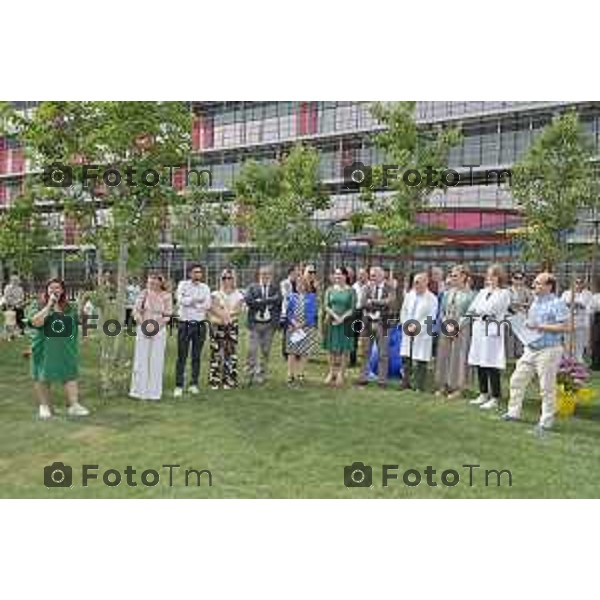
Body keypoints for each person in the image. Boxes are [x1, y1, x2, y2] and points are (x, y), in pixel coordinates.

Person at [502, 272, 571, 435]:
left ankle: (545, 423)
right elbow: (532, 325)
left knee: (546, 388)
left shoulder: (557, 303)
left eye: (538, 283)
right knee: (516, 380)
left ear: (549, 286)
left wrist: (539, 326)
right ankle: (513, 413)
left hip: (549, 350)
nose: (534, 286)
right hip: (531, 348)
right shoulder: (535, 303)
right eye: (534, 283)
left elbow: (566, 327)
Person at [26, 278, 90, 420]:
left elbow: (74, 322)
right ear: (47, 290)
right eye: (51, 288)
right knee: (42, 375)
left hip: (65, 349)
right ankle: (44, 406)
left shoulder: (69, 307)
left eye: (57, 288)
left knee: (69, 374)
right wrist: (49, 306)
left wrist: (78, 306)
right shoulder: (37, 305)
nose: (54, 290)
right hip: (44, 347)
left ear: (62, 291)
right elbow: (36, 322)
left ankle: (73, 405)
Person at [467, 264, 511, 410]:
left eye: (493, 275)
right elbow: (472, 308)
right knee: (479, 361)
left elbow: (492, 309)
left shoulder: (504, 293)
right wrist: (481, 312)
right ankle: (483, 393)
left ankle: (495, 396)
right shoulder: (482, 292)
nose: (489, 278)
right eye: (488, 275)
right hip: (479, 329)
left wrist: (481, 312)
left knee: (491, 363)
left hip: (492, 330)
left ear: (499, 277)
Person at [129, 273, 173, 401]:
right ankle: (139, 391)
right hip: (143, 326)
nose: (151, 284)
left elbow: (168, 314)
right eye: (150, 282)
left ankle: (154, 392)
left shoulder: (167, 296)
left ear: (160, 282)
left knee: (156, 359)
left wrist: (156, 327)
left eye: (154, 281)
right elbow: (135, 310)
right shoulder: (143, 294)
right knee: (141, 358)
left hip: (159, 329)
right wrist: (143, 324)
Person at [434, 265, 475, 399]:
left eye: (455, 275)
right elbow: (442, 310)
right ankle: (442, 385)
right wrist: (446, 321)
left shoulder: (470, 295)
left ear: (464, 277)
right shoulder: (447, 293)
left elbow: (470, 314)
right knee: (443, 355)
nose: (452, 278)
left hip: (461, 329)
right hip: (446, 327)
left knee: (458, 357)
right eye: (451, 275)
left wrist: (457, 325)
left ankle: (457, 387)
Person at [174, 264, 212, 398]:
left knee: (196, 356)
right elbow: (180, 300)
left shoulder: (205, 287)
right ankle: (179, 385)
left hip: (200, 325)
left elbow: (207, 305)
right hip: (184, 324)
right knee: (182, 356)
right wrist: (196, 300)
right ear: (190, 273)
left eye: (200, 272)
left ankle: (193, 384)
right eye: (195, 272)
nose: (198, 274)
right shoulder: (182, 285)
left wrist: (190, 301)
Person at [357, 266, 396, 387]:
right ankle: (363, 378)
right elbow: (363, 303)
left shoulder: (390, 288)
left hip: (383, 323)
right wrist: (380, 304)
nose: (371, 277)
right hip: (367, 323)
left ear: (381, 275)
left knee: (383, 353)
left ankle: (382, 380)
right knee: (365, 352)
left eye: (374, 275)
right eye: (371, 275)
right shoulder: (366, 287)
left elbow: (390, 302)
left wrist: (372, 302)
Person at [400, 272, 438, 392]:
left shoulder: (432, 298)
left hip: (422, 332)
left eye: (418, 282)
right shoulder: (409, 295)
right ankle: (406, 382)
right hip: (408, 330)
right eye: (414, 282)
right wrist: (406, 324)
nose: (415, 285)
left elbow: (431, 317)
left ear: (426, 282)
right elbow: (404, 311)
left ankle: (419, 385)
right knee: (407, 358)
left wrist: (417, 328)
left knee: (421, 359)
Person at [208, 269, 245, 390]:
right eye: (224, 278)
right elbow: (213, 308)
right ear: (221, 279)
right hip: (217, 326)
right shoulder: (215, 294)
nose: (227, 280)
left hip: (231, 327)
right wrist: (224, 316)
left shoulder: (238, 294)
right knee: (216, 353)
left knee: (230, 353)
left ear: (234, 279)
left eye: (229, 278)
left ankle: (229, 380)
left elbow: (238, 309)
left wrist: (226, 314)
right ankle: (215, 380)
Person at [244, 265, 282, 385]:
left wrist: (261, 301)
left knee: (265, 350)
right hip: (254, 324)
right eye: (263, 274)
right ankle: (250, 374)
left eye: (267, 274)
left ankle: (261, 374)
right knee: (252, 350)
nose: (265, 276)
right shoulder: (252, 287)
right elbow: (249, 300)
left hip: (269, 325)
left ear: (271, 275)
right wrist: (268, 301)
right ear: (259, 275)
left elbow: (279, 300)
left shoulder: (275, 288)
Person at [323, 267, 355, 386]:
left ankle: (341, 374)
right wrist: (335, 316)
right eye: (336, 274)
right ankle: (331, 372)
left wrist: (342, 318)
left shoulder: (351, 291)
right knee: (331, 348)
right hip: (332, 322)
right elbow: (326, 306)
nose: (337, 276)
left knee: (344, 349)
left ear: (345, 276)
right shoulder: (330, 290)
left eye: (340, 274)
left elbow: (352, 308)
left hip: (346, 323)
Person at [284, 275, 319, 385]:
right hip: (293, 327)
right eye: (298, 284)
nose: (300, 286)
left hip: (306, 328)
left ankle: (301, 374)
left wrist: (302, 324)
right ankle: (290, 374)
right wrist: (294, 322)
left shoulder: (312, 297)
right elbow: (288, 312)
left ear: (306, 285)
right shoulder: (292, 296)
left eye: (302, 284)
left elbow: (312, 313)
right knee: (292, 351)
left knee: (304, 352)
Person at [561, 277, 593, 363]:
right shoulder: (566, 293)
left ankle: (579, 357)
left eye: (580, 283)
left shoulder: (588, 294)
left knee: (580, 340)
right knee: (567, 340)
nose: (578, 285)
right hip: (568, 320)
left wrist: (581, 305)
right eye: (576, 283)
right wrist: (568, 305)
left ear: (583, 284)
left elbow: (590, 307)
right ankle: (567, 357)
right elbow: (561, 305)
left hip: (581, 320)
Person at [507, 271, 533, 359]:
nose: (518, 280)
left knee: (521, 337)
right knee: (510, 337)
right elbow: (507, 304)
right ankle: (510, 355)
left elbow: (531, 303)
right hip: (510, 316)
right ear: (512, 279)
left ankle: (520, 354)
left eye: (520, 278)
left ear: (524, 280)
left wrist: (520, 305)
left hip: (522, 317)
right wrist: (519, 305)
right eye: (516, 278)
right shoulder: (508, 291)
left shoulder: (527, 291)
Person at [350, 267, 369, 368]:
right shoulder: (354, 287)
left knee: (366, 337)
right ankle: (353, 360)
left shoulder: (369, 286)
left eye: (364, 274)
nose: (362, 276)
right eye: (360, 274)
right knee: (354, 336)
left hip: (366, 312)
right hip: (356, 312)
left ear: (367, 275)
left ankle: (366, 361)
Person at [280, 266, 299, 360]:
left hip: (298, 311)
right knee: (287, 333)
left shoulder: (299, 282)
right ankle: (286, 353)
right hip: (288, 311)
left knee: (297, 332)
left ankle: (296, 352)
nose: (298, 273)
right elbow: (286, 296)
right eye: (296, 271)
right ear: (291, 272)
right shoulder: (285, 283)